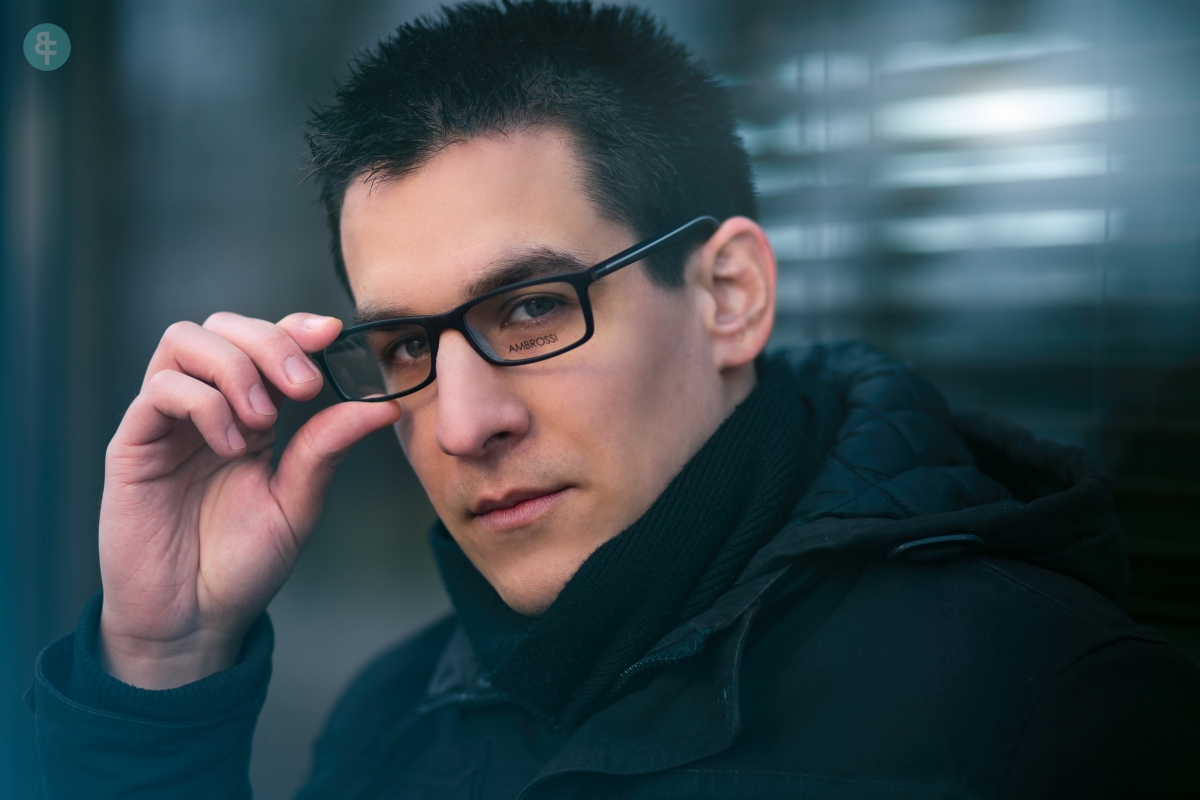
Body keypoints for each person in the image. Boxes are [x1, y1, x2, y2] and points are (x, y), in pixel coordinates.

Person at [28, 1, 1200, 798]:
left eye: (533, 308)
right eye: (406, 343)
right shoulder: (394, 717)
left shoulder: (1034, 701)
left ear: (728, 295)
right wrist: (163, 663)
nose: (463, 422)